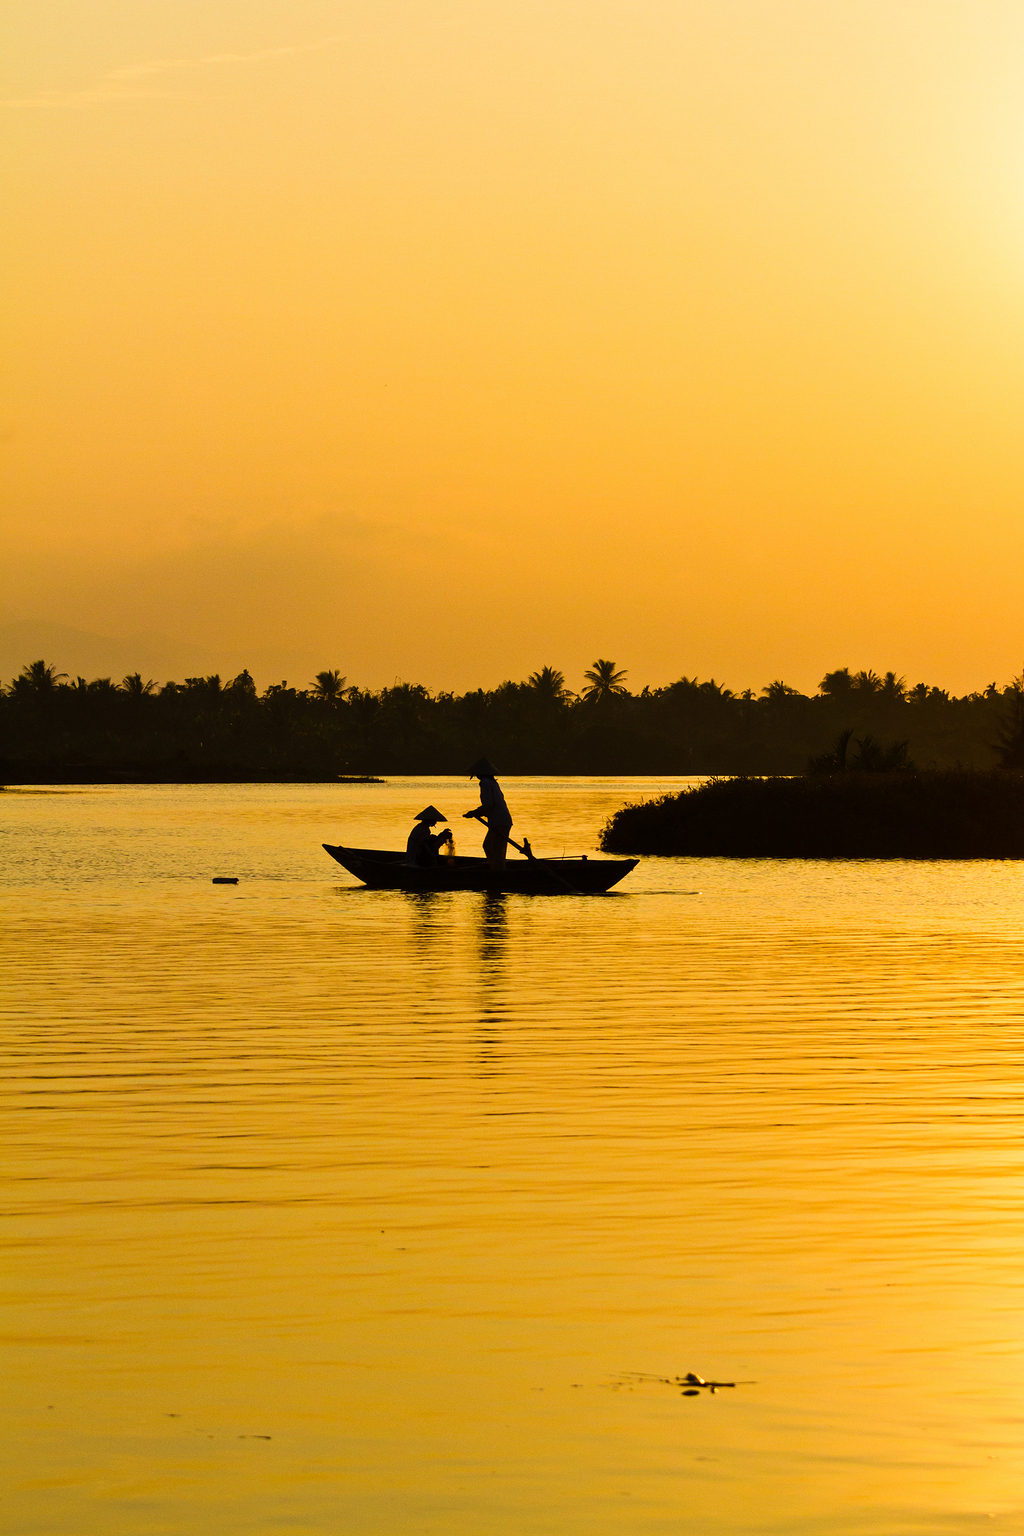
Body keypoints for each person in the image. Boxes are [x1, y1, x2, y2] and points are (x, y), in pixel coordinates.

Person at [463, 758, 513, 867]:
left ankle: (498, 871)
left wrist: (474, 812)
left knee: (495, 849)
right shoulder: (492, 783)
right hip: (501, 821)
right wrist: (478, 812)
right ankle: (495, 867)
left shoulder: (485, 782)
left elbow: (488, 805)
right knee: (490, 847)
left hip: (499, 821)